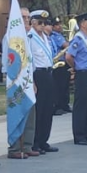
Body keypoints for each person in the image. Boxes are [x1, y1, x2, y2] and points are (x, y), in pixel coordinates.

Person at [8, 8, 38, 159]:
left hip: (28, 80)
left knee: (30, 114)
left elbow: (30, 63)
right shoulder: (11, 35)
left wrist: (32, 81)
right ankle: (14, 148)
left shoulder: (28, 37)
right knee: (17, 113)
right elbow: (9, 62)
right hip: (16, 81)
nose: (26, 20)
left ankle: (27, 145)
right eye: (23, 17)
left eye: (28, 17)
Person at [27, 10, 58, 153]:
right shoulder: (30, 37)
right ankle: (35, 141)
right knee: (39, 109)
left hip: (48, 72)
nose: (42, 25)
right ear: (33, 22)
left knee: (48, 108)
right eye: (40, 22)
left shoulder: (46, 37)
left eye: (44, 23)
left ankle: (44, 139)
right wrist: (32, 80)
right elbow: (29, 60)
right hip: (37, 74)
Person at [66, 13, 87, 145]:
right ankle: (79, 135)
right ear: (83, 23)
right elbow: (68, 57)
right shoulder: (78, 39)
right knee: (81, 105)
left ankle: (86, 132)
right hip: (82, 73)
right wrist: (76, 67)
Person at [49, 17, 71, 116]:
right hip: (57, 63)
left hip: (63, 63)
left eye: (60, 24)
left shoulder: (60, 35)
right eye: (57, 25)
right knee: (59, 86)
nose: (60, 26)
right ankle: (57, 106)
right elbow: (65, 45)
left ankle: (64, 104)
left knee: (65, 85)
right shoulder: (54, 36)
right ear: (53, 27)